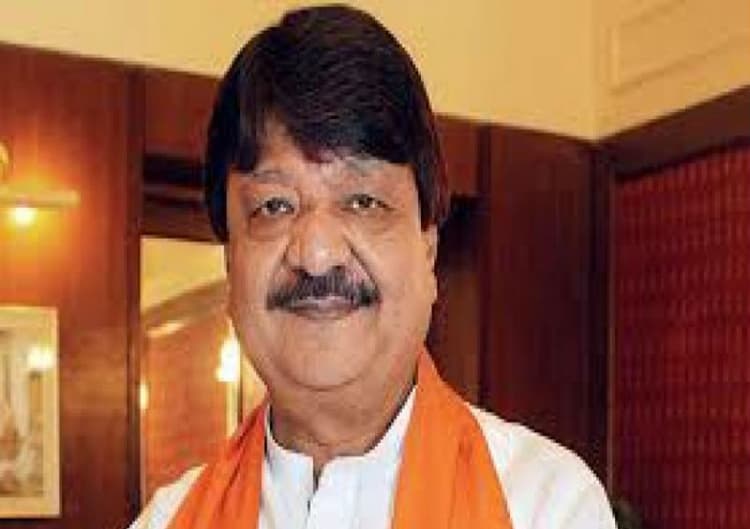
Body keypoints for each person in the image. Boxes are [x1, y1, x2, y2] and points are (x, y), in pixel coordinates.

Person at [130, 5, 616, 529]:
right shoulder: (168, 520)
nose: (316, 253)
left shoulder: (546, 506)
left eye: (362, 201)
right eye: (274, 206)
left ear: (428, 249)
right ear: (231, 264)